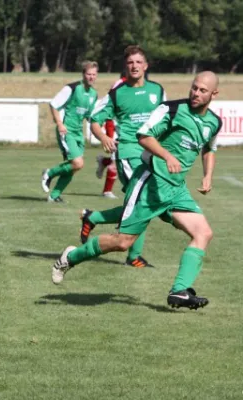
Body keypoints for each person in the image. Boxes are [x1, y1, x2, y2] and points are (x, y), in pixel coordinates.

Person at [52, 71, 221, 310]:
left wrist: (207, 176)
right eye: (194, 88)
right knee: (123, 242)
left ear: (214, 93)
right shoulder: (171, 109)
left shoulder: (214, 121)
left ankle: (179, 291)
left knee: (203, 233)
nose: (196, 93)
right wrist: (167, 155)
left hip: (175, 190)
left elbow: (209, 148)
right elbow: (144, 136)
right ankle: (70, 258)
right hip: (150, 183)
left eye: (203, 90)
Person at [80, 46, 166, 268]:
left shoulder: (157, 90)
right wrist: (103, 138)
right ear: (125, 67)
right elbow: (95, 119)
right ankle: (133, 256)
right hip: (128, 152)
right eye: (130, 62)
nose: (135, 66)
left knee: (142, 205)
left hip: (151, 154)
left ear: (146, 66)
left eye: (139, 62)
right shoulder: (117, 93)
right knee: (142, 203)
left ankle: (93, 218)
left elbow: (165, 119)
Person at [42, 61, 99, 202]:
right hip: (66, 131)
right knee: (78, 163)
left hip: (79, 133)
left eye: (94, 74)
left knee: (73, 167)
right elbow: (54, 105)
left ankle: (54, 196)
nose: (91, 77)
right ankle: (49, 173)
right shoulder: (72, 88)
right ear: (83, 74)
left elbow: (89, 116)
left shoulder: (93, 94)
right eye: (88, 74)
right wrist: (60, 124)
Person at [94, 74, 127, 199]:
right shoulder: (120, 84)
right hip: (117, 129)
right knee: (116, 161)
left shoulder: (142, 85)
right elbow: (108, 112)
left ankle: (103, 161)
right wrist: (109, 135)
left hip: (128, 130)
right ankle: (107, 191)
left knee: (123, 160)